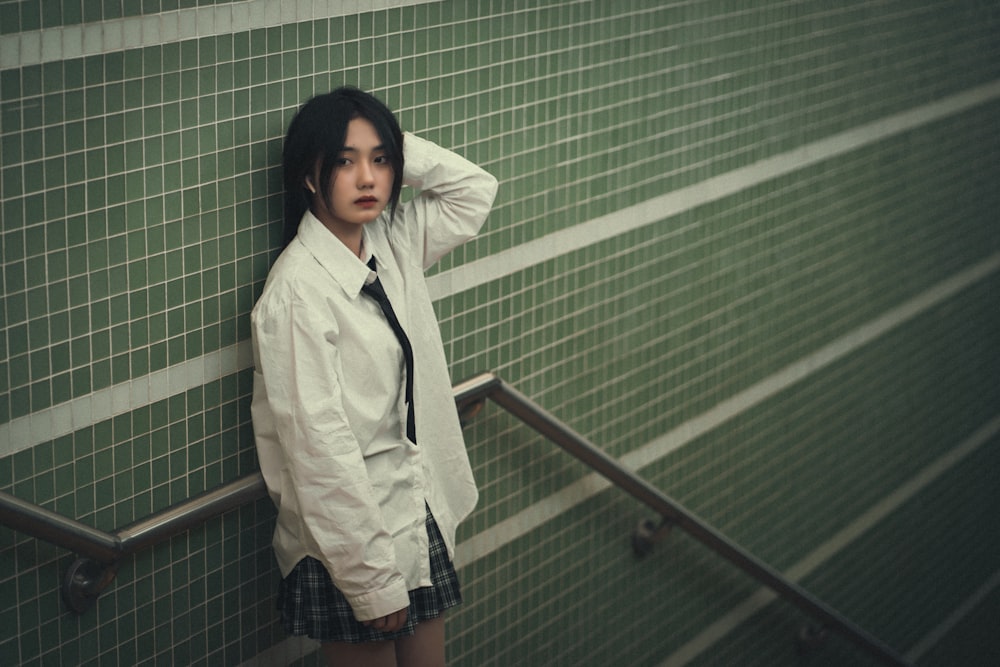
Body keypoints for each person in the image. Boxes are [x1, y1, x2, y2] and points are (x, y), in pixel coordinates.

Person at [249, 87, 498, 667]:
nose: (368, 178)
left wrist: (385, 137)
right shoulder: (296, 296)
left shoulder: (390, 241)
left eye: (380, 160)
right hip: (351, 537)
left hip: (414, 506)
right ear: (309, 176)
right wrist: (368, 581)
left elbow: (473, 192)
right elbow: (318, 452)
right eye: (345, 160)